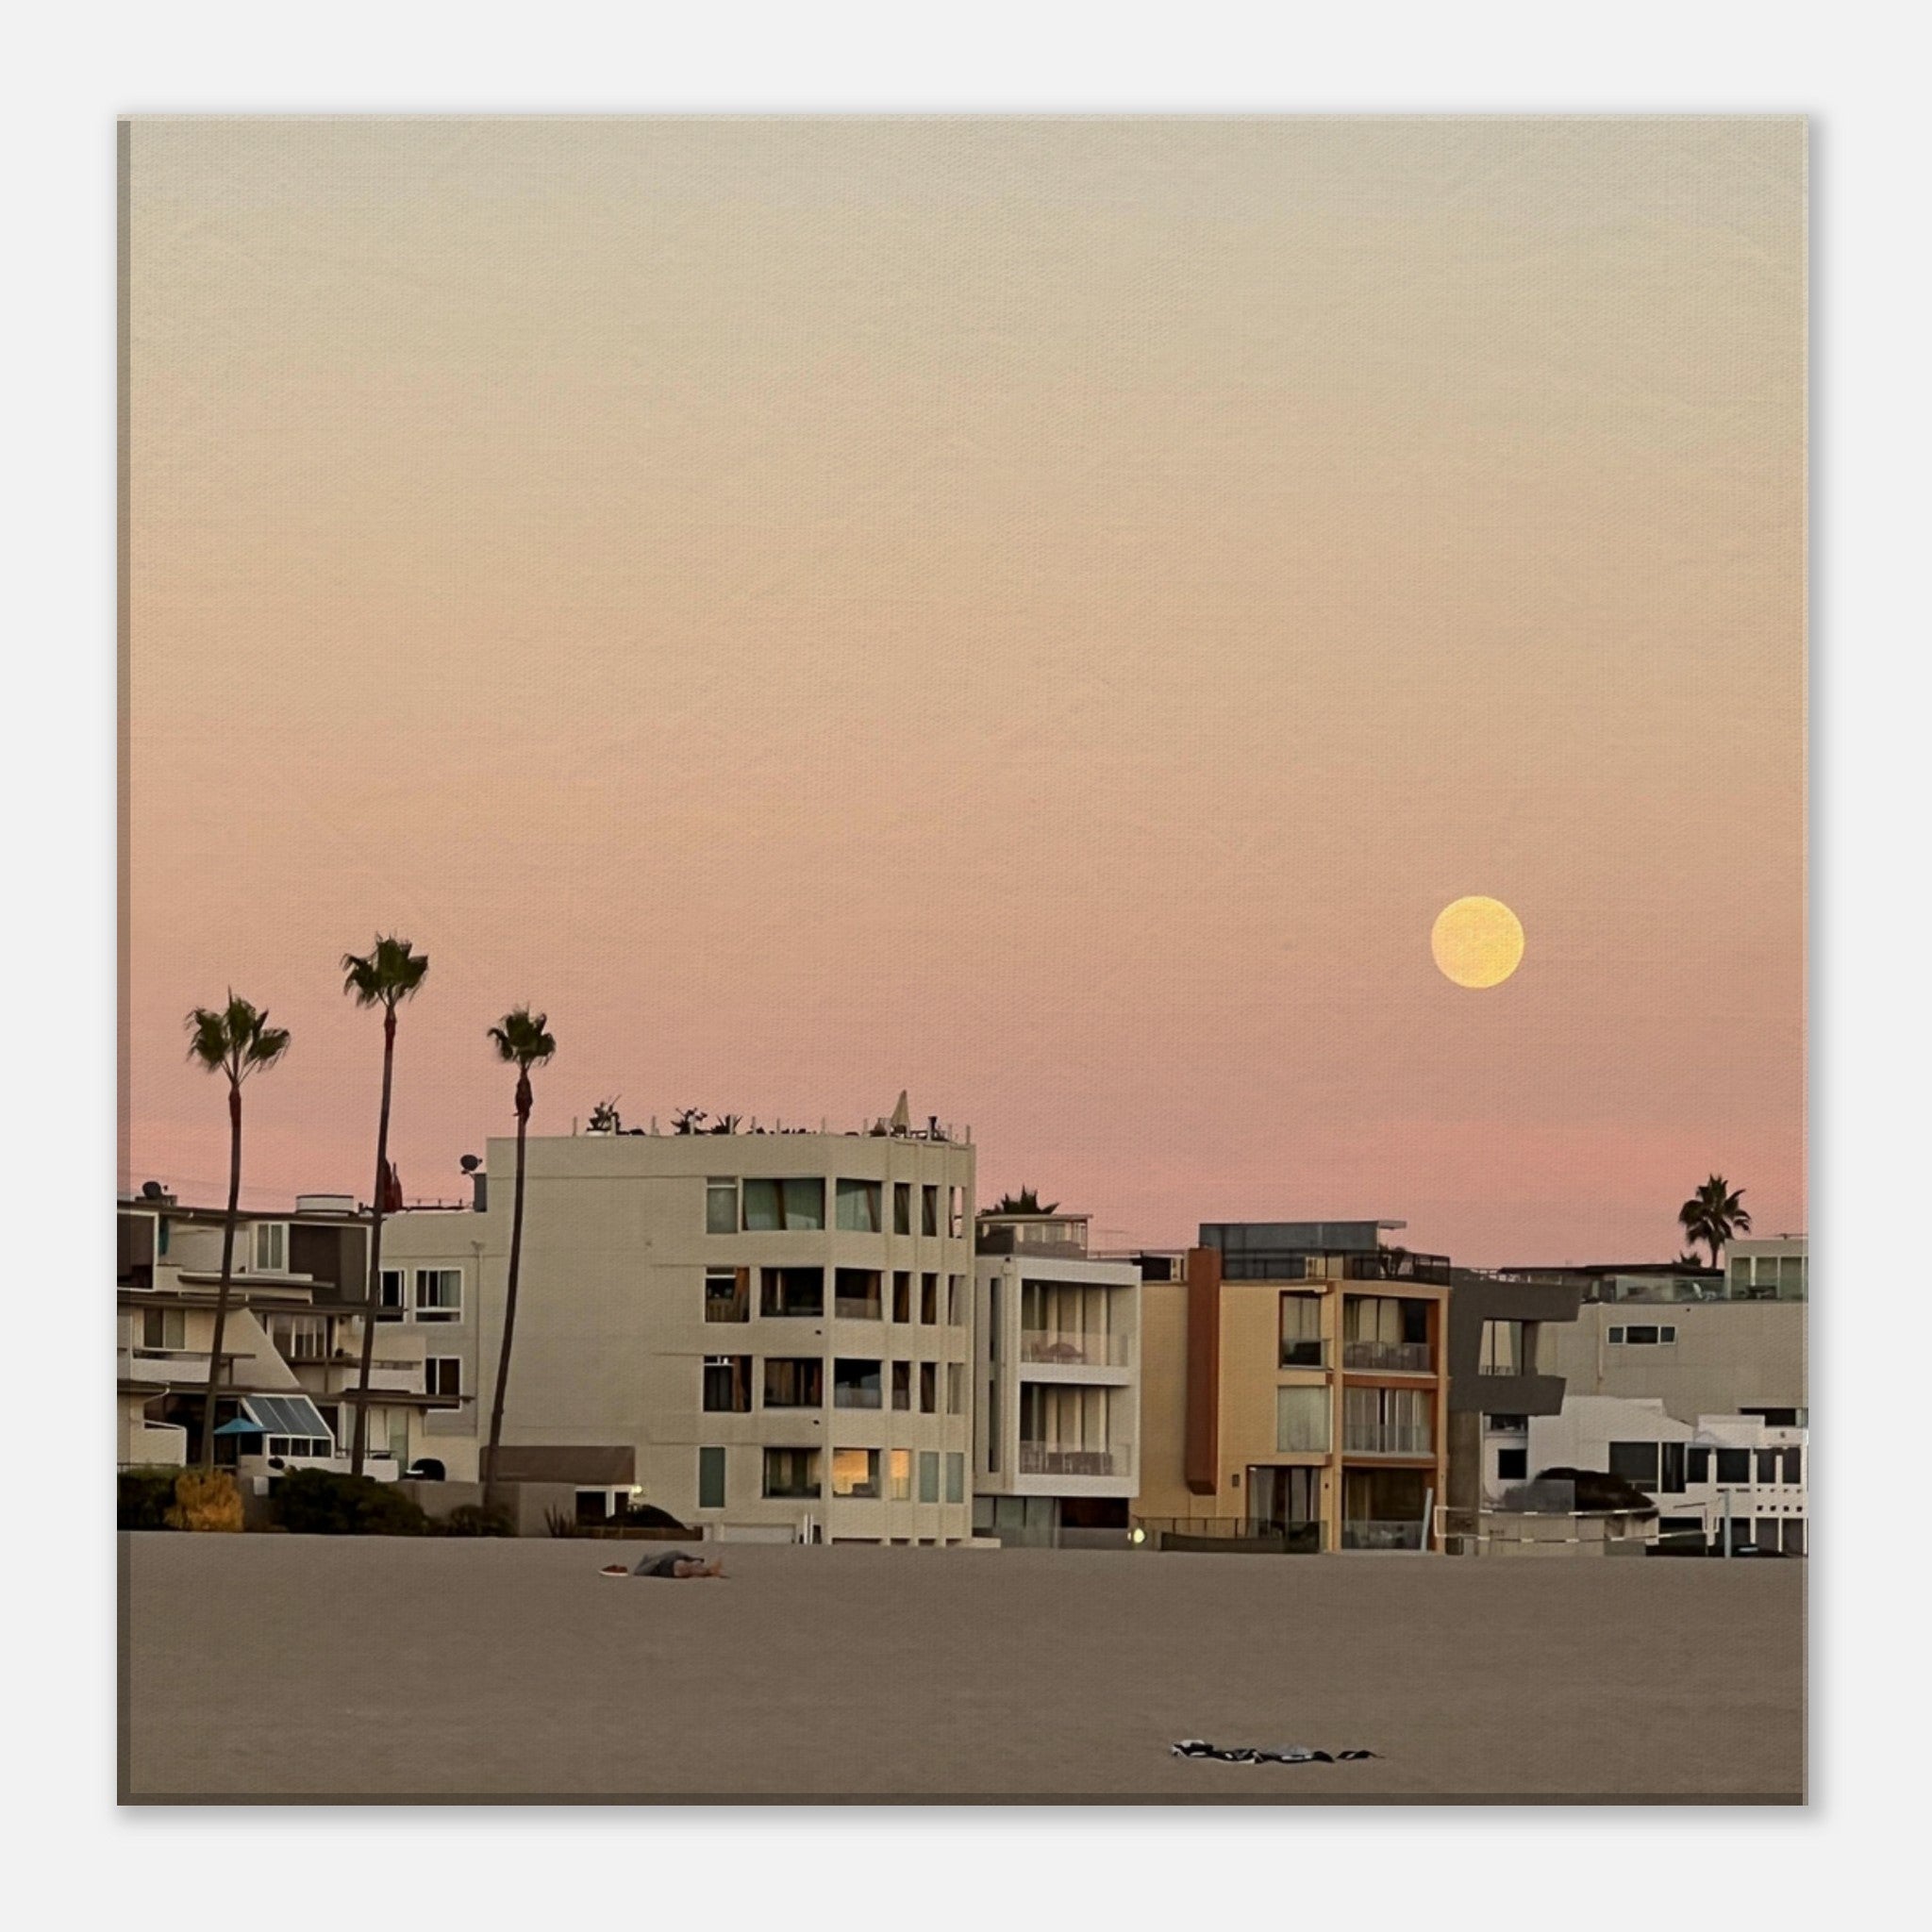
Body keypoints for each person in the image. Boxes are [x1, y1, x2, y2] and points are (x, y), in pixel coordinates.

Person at [601, 1549, 724, 1579]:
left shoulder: (642, 1564)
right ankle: (709, 1571)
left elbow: (649, 1557)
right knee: (685, 1568)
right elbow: (652, 1564)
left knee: (686, 1565)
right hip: (666, 1567)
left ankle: (708, 1570)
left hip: (667, 1564)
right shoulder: (639, 1570)